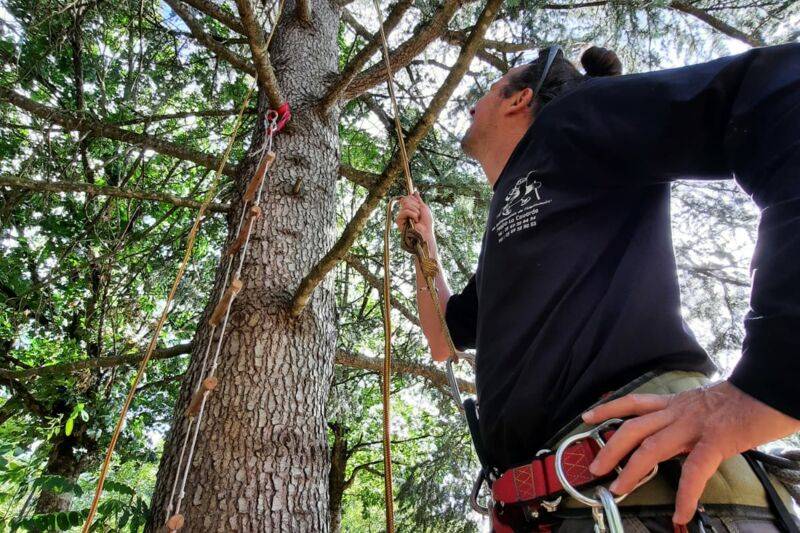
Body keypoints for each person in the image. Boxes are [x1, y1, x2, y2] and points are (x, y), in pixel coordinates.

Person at [395, 43, 800, 532]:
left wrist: (775, 383)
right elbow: (445, 338)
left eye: (485, 90)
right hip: (555, 508)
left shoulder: (576, 115)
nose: (472, 105)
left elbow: (780, 90)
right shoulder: (512, 217)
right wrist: (427, 250)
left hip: (650, 499)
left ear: (519, 99)